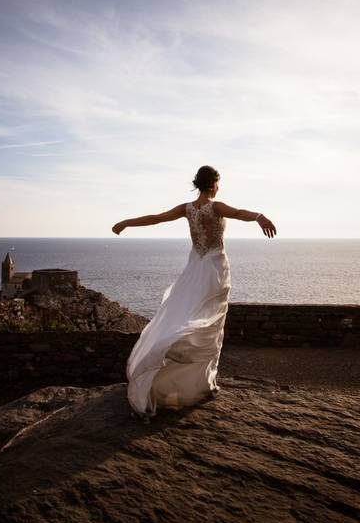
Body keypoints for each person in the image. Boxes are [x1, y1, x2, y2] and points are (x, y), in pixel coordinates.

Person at [112, 165, 277, 421]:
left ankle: (193, 378)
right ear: (213, 184)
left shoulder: (186, 208)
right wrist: (260, 216)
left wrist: (126, 222)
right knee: (212, 322)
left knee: (189, 316)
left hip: (194, 268)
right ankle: (204, 384)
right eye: (218, 183)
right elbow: (238, 212)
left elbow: (156, 218)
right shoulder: (216, 206)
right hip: (213, 268)